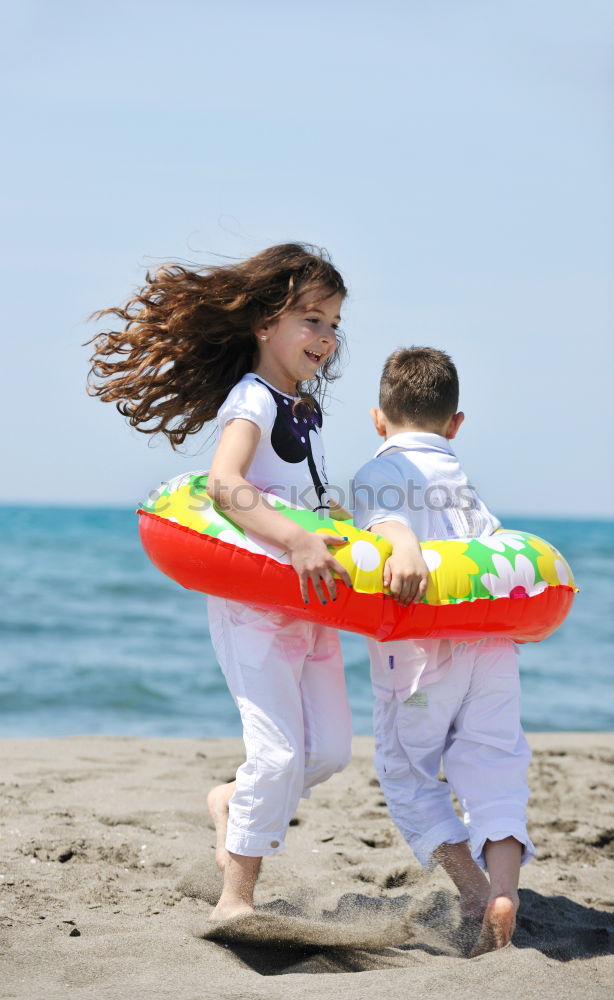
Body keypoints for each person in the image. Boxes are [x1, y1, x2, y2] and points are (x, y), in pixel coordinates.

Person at [86, 243, 374, 920]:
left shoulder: (303, 403)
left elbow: (298, 490)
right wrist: (297, 538)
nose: (326, 335)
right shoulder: (254, 398)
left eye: (332, 322)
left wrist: (333, 530)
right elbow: (225, 484)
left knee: (329, 752)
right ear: (264, 324)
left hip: (311, 604)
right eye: (311, 318)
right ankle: (235, 900)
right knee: (275, 757)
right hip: (256, 608)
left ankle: (229, 800)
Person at [352, 347, 535, 956]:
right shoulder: (465, 489)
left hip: (422, 653)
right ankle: (507, 888)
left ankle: (474, 890)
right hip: (490, 647)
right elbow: (500, 557)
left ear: (378, 418)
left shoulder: (378, 470)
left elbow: (384, 517)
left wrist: (402, 541)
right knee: (494, 762)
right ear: (456, 424)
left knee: (406, 772)